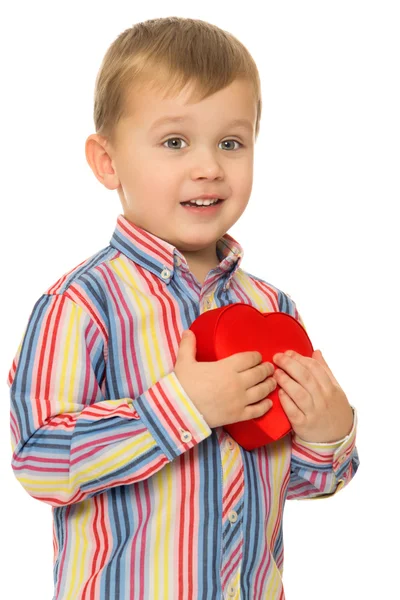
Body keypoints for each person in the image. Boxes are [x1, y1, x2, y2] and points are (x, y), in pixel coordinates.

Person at [7, 16, 359, 600]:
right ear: (107, 162)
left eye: (231, 142)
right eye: (175, 142)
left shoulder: (273, 308)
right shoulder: (82, 306)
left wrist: (330, 437)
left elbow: (289, 481)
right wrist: (182, 407)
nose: (209, 166)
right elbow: (39, 462)